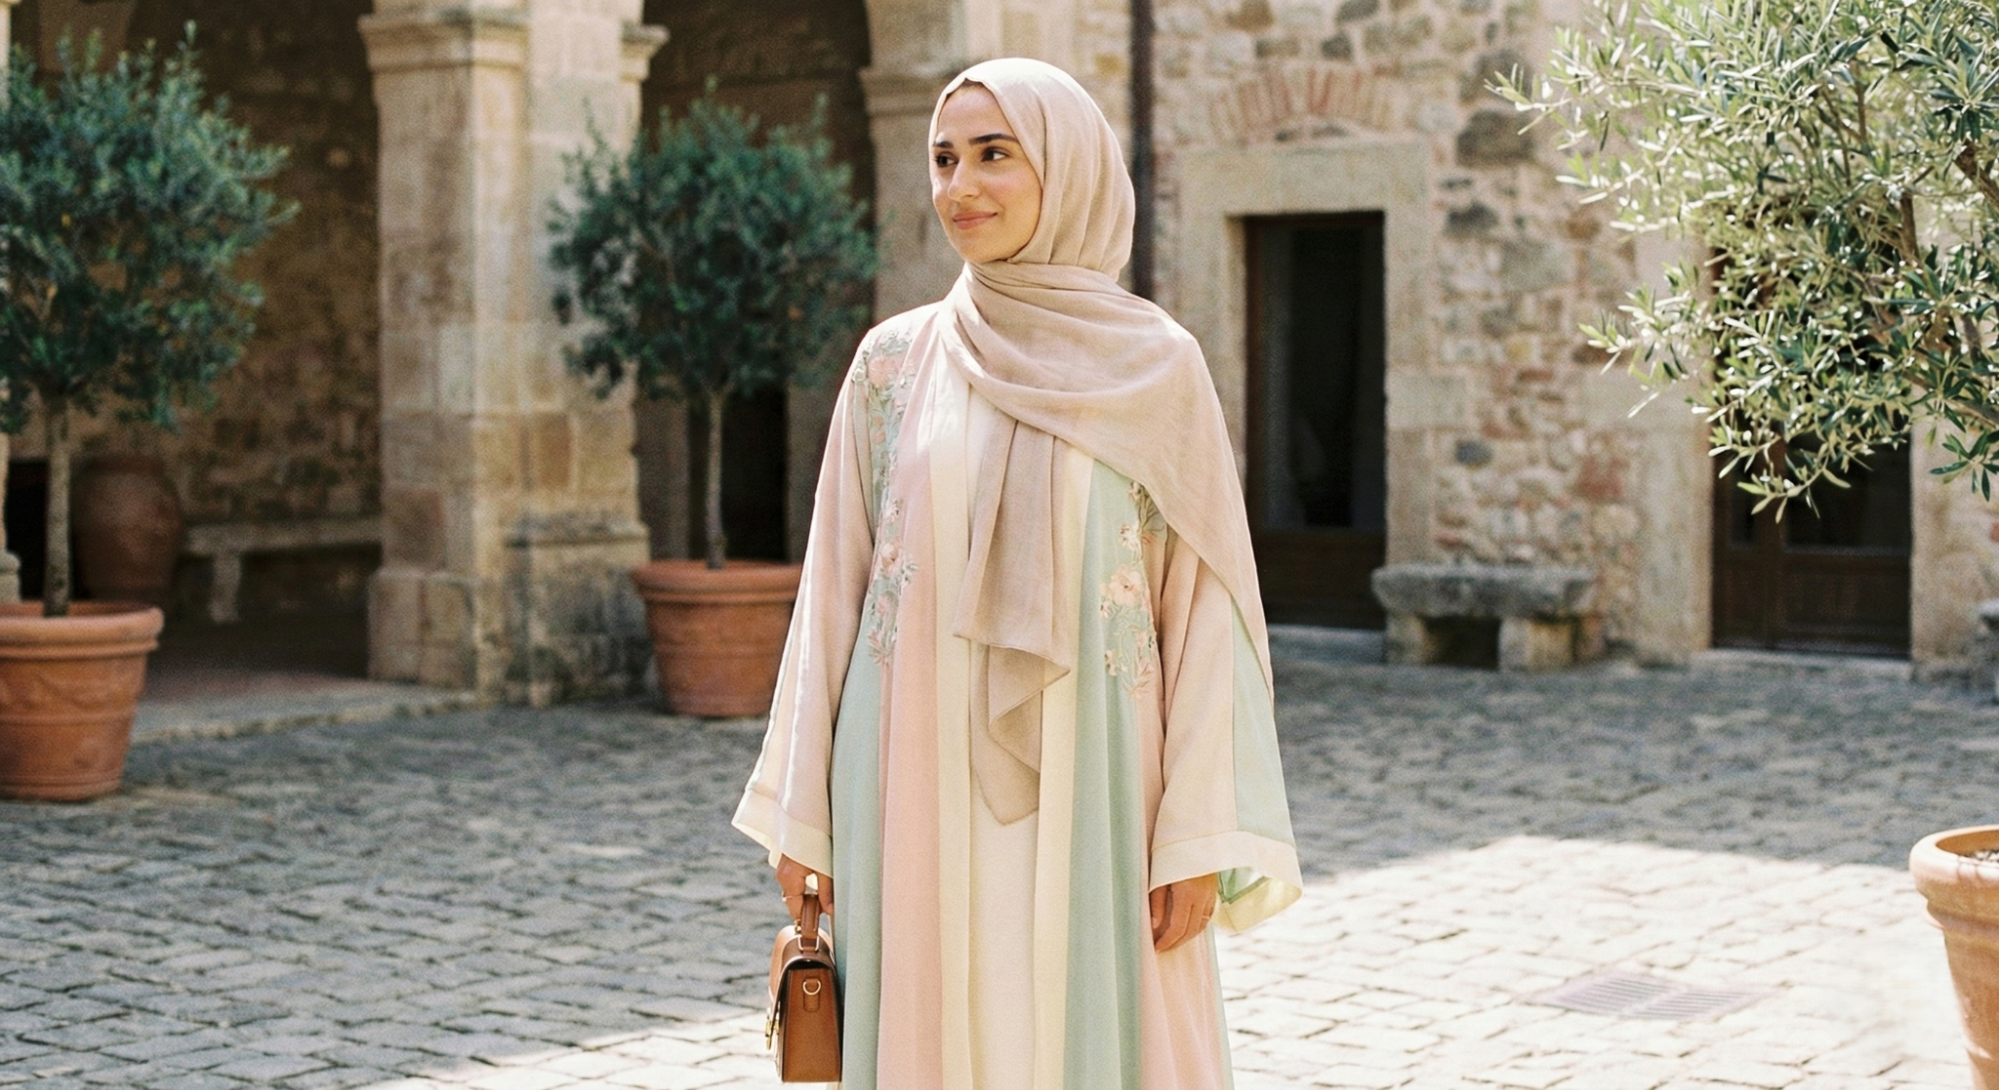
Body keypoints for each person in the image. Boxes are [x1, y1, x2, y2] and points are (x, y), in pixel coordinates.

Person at [734, 57, 1302, 1089]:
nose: (960, 186)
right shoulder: (892, 365)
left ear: (1067, 167)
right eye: (944, 158)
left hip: (1103, 783)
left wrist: (1194, 833)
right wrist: (801, 814)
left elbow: (1205, 610)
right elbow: (831, 596)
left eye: (995, 154)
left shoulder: (1157, 369)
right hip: (906, 778)